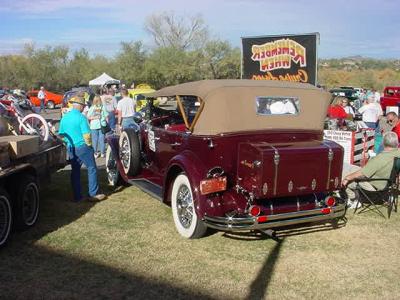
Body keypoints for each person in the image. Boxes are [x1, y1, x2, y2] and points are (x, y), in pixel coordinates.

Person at [58, 96, 106, 202]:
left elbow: (61, 134)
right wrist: (90, 146)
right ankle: (93, 193)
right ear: (80, 106)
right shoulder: (81, 117)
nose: (84, 108)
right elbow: (87, 135)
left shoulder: (64, 117)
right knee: (92, 168)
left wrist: (68, 142)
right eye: (83, 106)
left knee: (75, 171)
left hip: (71, 147)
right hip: (82, 146)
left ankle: (77, 196)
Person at [342, 131, 400, 202]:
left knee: (344, 177)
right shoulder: (398, 153)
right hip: (386, 183)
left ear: (383, 142)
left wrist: (347, 178)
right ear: (396, 142)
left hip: (374, 186)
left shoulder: (381, 158)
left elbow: (363, 174)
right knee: (350, 168)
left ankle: (353, 199)